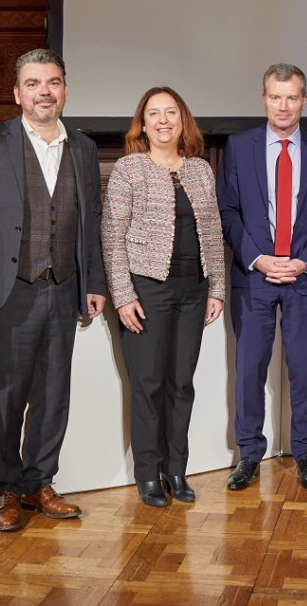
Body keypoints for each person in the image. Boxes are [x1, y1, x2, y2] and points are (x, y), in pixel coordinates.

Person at [0, 48, 107, 531]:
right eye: (35, 83)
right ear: (17, 92)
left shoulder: (82, 147)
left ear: (65, 89)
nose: (46, 91)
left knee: (53, 391)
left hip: (64, 288)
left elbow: (93, 221)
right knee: (6, 394)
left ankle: (40, 482)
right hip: (7, 289)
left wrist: (95, 282)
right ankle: (6, 489)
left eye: (54, 82)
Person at [216, 63, 307, 491]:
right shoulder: (238, 147)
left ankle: (305, 451)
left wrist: (304, 261)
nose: (283, 106)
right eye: (275, 97)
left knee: (305, 369)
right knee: (249, 369)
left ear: (304, 101)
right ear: (264, 99)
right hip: (254, 277)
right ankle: (249, 452)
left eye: (292, 97)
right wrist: (257, 257)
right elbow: (228, 211)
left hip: (304, 278)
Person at [102, 87, 225, 507]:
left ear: (182, 120)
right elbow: (112, 236)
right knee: (149, 385)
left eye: (170, 112)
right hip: (146, 290)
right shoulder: (128, 169)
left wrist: (217, 289)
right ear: (143, 123)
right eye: (153, 113)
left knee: (181, 384)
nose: (163, 120)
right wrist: (122, 295)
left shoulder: (200, 171)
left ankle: (176, 469)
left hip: (193, 289)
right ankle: (148, 474)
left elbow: (213, 233)